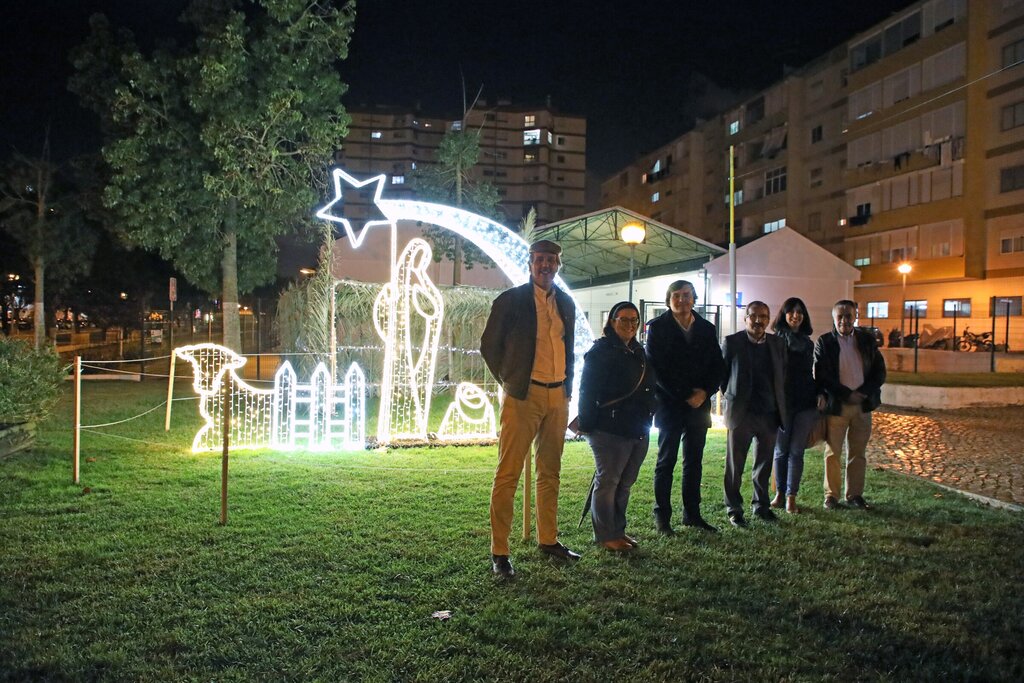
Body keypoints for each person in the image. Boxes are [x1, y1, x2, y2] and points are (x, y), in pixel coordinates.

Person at [480, 239, 579, 578]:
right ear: (530, 263)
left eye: (550, 260)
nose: (545, 265)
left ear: (558, 265)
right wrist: (511, 380)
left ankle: (548, 540)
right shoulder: (511, 300)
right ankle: (500, 552)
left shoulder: (565, 303)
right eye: (539, 260)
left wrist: (567, 390)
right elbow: (489, 346)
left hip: (557, 396)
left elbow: (569, 349)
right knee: (508, 474)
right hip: (523, 395)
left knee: (550, 472)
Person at [645, 280, 725, 534]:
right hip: (669, 404)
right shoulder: (657, 327)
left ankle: (692, 514)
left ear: (694, 298)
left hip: (699, 406)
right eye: (676, 295)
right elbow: (656, 369)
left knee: (694, 462)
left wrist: (705, 392)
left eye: (687, 295)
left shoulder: (706, 328)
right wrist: (684, 395)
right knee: (665, 461)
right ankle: (662, 516)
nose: (682, 300)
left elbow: (717, 365)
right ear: (669, 300)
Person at [577, 302, 657, 552]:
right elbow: (587, 390)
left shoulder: (638, 350)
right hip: (609, 428)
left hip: (637, 427)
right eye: (624, 319)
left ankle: (618, 530)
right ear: (612, 321)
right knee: (608, 482)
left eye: (634, 320)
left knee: (625, 483)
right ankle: (605, 534)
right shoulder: (601, 351)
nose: (630, 325)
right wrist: (586, 424)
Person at [814, 300, 887, 510]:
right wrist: (847, 394)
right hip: (837, 406)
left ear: (855, 317)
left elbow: (879, 371)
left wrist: (862, 393)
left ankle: (855, 495)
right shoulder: (825, 342)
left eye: (848, 316)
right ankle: (831, 496)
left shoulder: (866, 340)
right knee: (833, 453)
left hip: (863, 405)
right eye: (840, 316)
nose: (844, 320)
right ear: (833, 317)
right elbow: (822, 375)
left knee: (858, 452)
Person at [721, 301, 788, 527]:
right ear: (745, 318)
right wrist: (732, 397)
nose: (758, 320)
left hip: (769, 414)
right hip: (741, 413)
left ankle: (761, 505)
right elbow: (723, 376)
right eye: (754, 316)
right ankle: (734, 508)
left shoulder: (778, 343)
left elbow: (783, 374)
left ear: (769, 319)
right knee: (735, 465)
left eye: (763, 316)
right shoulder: (732, 342)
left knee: (764, 463)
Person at [770, 297, 823, 514]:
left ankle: (791, 496)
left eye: (800, 312)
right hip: (782, 403)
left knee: (796, 451)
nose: (795, 315)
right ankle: (779, 493)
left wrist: (819, 393)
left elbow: (811, 373)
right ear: (784, 315)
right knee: (780, 450)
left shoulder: (808, 344)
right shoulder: (774, 341)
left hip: (805, 402)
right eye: (791, 311)